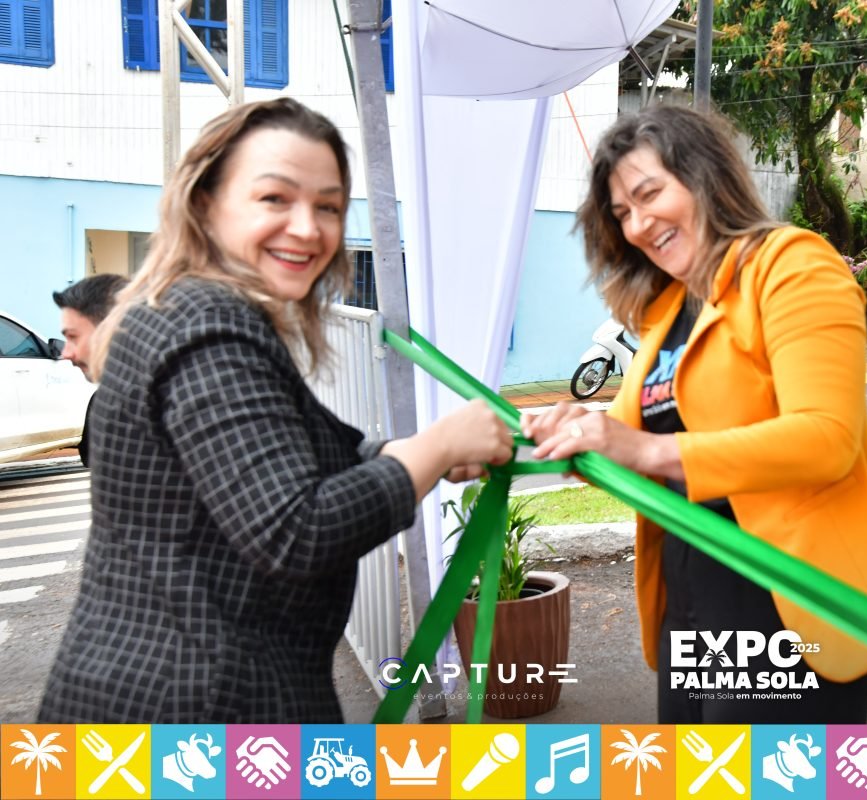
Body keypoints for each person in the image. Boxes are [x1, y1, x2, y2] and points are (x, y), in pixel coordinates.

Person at [37, 98, 512, 723]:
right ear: (206, 205)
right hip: (201, 714)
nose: (308, 228)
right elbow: (296, 531)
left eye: (328, 207)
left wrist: (402, 456)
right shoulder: (208, 328)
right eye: (274, 199)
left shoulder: (184, 310)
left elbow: (270, 463)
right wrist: (438, 446)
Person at [522, 105, 867, 724]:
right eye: (622, 213)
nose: (637, 225)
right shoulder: (669, 310)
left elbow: (826, 438)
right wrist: (572, 430)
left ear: (704, 175)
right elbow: (626, 437)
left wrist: (650, 451)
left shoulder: (792, 265)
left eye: (649, 194)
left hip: (789, 602)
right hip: (690, 600)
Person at [52, 274, 129, 466]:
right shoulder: (107, 400)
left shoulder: (174, 398)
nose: (66, 353)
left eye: (73, 337)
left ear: (111, 331)